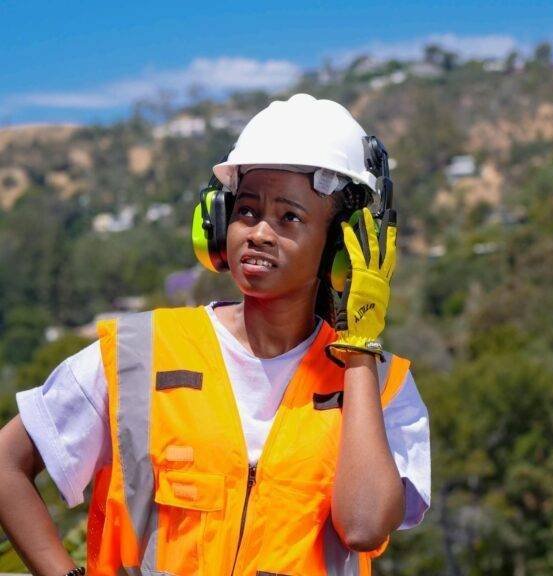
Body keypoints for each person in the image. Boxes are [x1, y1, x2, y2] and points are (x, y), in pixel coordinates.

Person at [0, 93, 430, 576]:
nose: (260, 232)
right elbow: (5, 465)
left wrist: (358, 352)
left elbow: (365, 527)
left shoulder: (383, 386)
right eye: (247, 211)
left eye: (290, 217)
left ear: (342, 246)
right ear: (219, 222)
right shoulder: (139, 356)